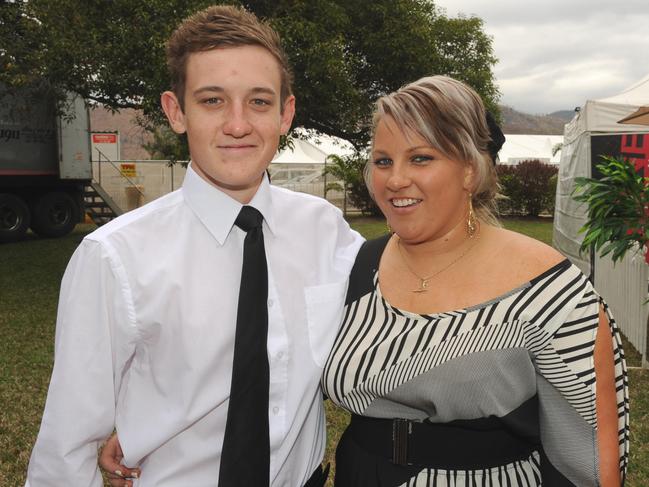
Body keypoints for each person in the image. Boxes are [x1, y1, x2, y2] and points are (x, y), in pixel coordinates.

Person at [25, 5, 363, 487]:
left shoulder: (327, 231)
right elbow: (67, 445)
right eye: (212, 101)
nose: (238, 124)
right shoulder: (115, 257)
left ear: (287, 113)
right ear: (176, 111)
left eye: (260, 102)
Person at [321, 75, 629, 486]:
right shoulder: (359, 266)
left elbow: (590, 458)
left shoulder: (550, 289)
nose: (394, 180)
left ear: (470, 170)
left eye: (420, 158)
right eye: (382, 160)